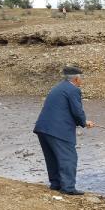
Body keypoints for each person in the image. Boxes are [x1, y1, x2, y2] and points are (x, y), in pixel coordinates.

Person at [33, 66, 94, 195]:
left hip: (43, 128)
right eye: (81, 78)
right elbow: (77, 111)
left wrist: (82, 122)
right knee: (68, 158)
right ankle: (68, 188)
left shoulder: (58, 87)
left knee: (52, 157)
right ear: (76, 79)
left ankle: (56, 184)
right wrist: (84, 122)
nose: (81, 81)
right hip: (58, 130)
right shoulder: (73, 90)